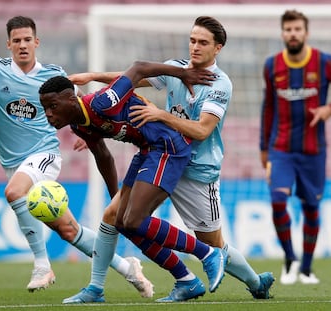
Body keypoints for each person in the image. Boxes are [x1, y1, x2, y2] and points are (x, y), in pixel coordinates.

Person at [0, 15, 153, 295]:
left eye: (28, 39)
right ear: (9, 44)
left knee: (14, 193)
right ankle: (129, 268)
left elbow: (83, 104)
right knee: (69, 231)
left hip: (44, 154)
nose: (23, 45)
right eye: (17, 41)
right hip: (13, 163)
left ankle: (41, 265)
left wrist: (91, 134)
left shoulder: (53, 75)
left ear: (36, 42)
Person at [68, 15, 274, 301]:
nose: (195, 47)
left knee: (213, 243)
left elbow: (202, 130)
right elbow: (132, 79)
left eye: (203, 42)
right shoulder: (176, 68)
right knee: (114, 216)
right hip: (161, 156)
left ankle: (255, 282)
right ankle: (96, 288)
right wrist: (93, 77)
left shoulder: (220, 84)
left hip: (197, 170)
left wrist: (161, 115)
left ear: (218, 48)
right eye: (192, 40)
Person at [39, 59, 228, 304]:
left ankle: (208, 254)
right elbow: (103, 157)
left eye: (52, 106)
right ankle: (186, 280)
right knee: (122, 222)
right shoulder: (78, 124)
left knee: (135, 220)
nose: (48, 114)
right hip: (148, 150)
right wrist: (115, 195)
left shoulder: (102, 102)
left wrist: (183, 74)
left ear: (71, 99)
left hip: (168, 147)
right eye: (44, 108)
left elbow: (139, 68)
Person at [260, 9, 331, 285]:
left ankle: (307, 268)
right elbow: (268, 109)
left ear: (306, 32)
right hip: (281, 149)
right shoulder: (272, 66)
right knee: (278, 200)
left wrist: (327, 109)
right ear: (282, 33)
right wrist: (264, 151)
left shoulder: (324, 63)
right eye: (288, 29)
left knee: (311, 207)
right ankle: (290, 259)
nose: (292, 34)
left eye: (297, 29)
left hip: (313, 150)